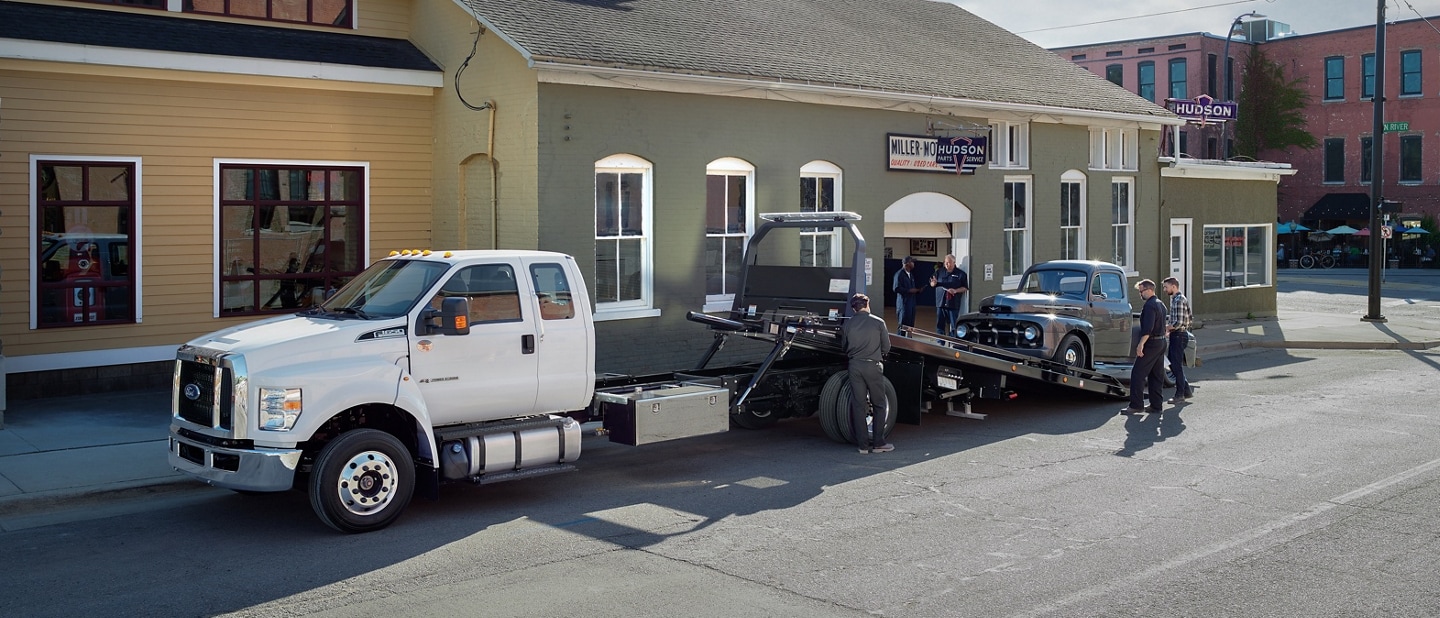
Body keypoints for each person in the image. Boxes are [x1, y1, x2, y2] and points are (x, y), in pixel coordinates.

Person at [842, 293, 893, 453]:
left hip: (854, 365)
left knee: (858, 405)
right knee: (879, 404)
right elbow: (886, 347)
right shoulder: (878, 322)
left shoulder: (848, 324)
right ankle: (879, 443)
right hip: (873, 366)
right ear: (867, 305)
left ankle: (863, 446)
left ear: (853, 308)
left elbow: (844, 346)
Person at [1124, 279, 1168, 415]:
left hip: (1151, 343)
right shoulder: (1161, 304)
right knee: (1156, 375)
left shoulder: (1149, 306)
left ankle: (1136, 405)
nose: (1140, 294)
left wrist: (1141, 344)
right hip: (1161, 342)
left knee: (1137, 374)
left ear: (1149, 290)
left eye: (1141, 291)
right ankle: (1156, 405)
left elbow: (1148, 329)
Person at [1162, 277, 1194, 403]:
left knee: (1176, 366)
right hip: (1177, 335)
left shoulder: (1179, 299)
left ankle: (1180, 394)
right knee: (1173, 365)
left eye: (1166, 287)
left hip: (1179, 335)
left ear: (1173, 286)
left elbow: (1179, 322)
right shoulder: (1175, 299)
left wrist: (1167, 328)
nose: (1165, 289)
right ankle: (1186, 391)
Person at [930, 254, 968, 337]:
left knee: (954, 324)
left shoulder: (961, 274)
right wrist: (933, 283)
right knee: (940, 324)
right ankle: (940, 341)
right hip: (941, 302)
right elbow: (932, 283)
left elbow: (965, 288)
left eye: (949, 263)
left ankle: (953, 341)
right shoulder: (939, 272)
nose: (946, 264)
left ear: (954, 262)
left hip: (953, 303)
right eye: (945, 262)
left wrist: (956, 290)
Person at [891, 256, 923, 335]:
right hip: (903, 304)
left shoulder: (910, 275)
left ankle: (909, 342)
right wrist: (908, 291)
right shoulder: (899, 274)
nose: (913, 264)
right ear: (907, 263)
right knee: (903, 325)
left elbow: (911, 288)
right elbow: (896, 288)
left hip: (911, 303)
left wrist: (917, 291)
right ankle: (900, 342)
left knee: (910, 325)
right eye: (912, 262)